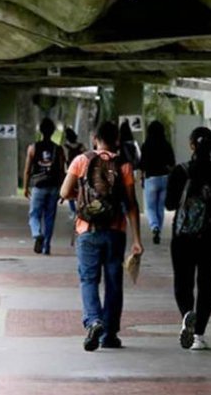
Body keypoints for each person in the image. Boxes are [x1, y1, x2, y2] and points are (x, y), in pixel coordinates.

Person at [60, 121, 143, 351]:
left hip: (87, 231)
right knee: (114, 284)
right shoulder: (123, 165)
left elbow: (64, 192)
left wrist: (84, 195)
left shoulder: (81, 160)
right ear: (116, 139)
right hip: (116, 232)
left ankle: (94, 320)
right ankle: (110, 335)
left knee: (89, 280)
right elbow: (132, 205)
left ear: (95, 138)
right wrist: (137, 240)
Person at [165, 127, 211, 351]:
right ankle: (199, 336)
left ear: (191, 146)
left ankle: (187, 314)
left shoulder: (179, 172)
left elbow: (168, 204)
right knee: (207, 284)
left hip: (183, 236)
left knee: (182, 282)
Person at [22, 118, 65, 255]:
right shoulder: (58, 149)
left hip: (38, 186)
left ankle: (36, 234)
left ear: (40, 131)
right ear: (53, 132)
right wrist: (63, 190)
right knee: (49, 217)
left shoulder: (33, 148)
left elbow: (27, 170)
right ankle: (46, 246)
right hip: (53, 187)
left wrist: (25, 187)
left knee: (34, 215)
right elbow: (62, 171)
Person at [139, 120, 175, 245]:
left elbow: (142, 164)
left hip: (151, 178)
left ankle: (155, 227)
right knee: (160, 207)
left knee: (150, 207)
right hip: (164, 178)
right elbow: (172, 162)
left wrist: (141, 178)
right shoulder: (166, 144)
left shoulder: (146, 145)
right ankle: (158, 229)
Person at [61, 127, 86, 220]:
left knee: (69, 190)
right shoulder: (81, 146)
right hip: (81, 171)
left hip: (70, 171)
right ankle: (80, 208)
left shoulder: (65, 147)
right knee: (81, 190)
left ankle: (73, 210)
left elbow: (65, 160)